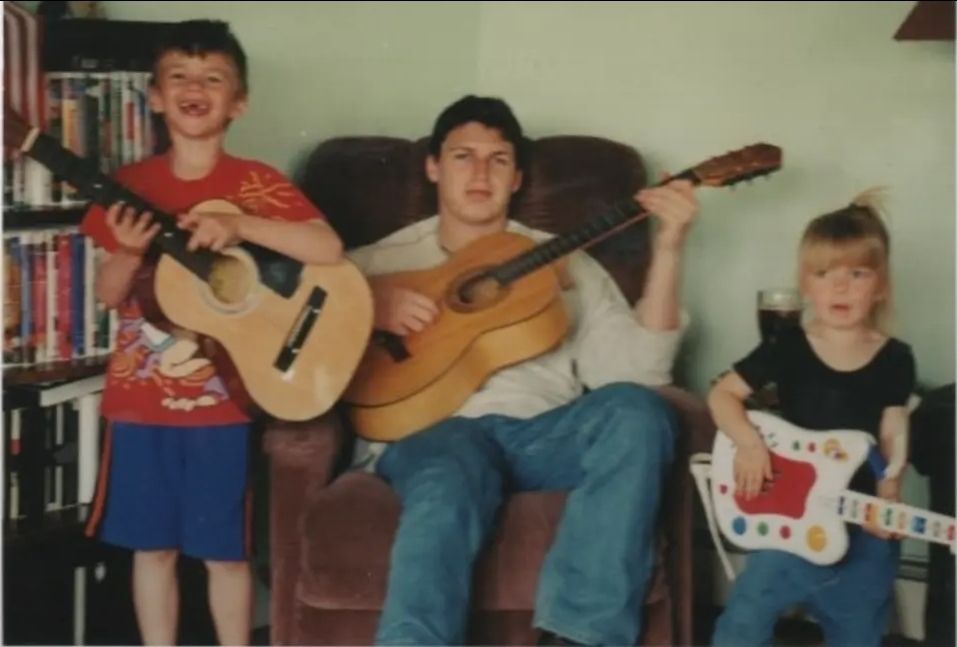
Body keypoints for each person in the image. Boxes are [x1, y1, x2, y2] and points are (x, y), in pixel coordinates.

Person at [345, 94, 700, 646]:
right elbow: (296, 324)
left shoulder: (561, 259)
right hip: (435, 436)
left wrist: (671, 248)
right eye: (463, 156)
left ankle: (580, 636)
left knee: (640, 412)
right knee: (448, 479)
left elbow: (641, 373)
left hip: (542, 432)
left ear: (516, 179)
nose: (481, 173)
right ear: (433, 167)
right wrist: (369, 302)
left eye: (499, 159)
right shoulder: (376, 262)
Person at [80, 19, 344, 646]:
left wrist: (242, 228)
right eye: (179, 77)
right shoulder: (130, 189)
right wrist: (126, 251)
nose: (194, 87)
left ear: (239, 102)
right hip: (140, 405)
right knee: (154, 551)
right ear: (154, 95)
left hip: (221, 403)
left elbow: (326, 246)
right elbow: (107, 293)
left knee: (224, 554)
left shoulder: (254, 185)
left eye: (213, 78)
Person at [708, 191, 916, 646]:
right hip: (789, 520)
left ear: (880, 285)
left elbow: (893, 431)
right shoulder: (787, 346)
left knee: (858, 630)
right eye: (825, 274)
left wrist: (890, 490)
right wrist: (748, 443)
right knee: (744, 620)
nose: (840, 287)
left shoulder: (896, 358)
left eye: (857, 274)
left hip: (861, 524)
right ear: (806, 285)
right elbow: (723, 396)